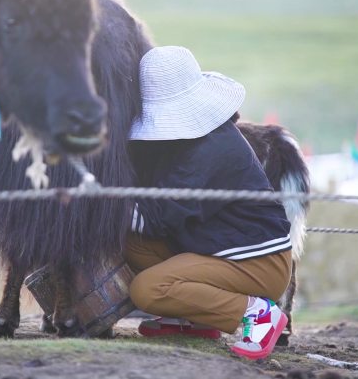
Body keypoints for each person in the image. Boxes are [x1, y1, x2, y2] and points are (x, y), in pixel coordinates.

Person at [125, 46, 292, 360]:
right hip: (213, 248)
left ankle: (256, 314)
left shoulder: (210, 151)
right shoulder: (182, 143)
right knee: (133, 242)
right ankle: (194, 317)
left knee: (147, 290)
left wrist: (98, 205)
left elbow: (160, 217)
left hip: (256, 263)